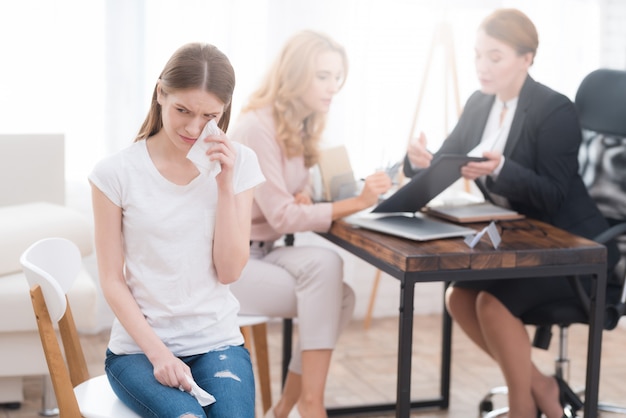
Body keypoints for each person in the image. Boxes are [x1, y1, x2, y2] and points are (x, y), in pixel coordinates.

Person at [403, 9, 620, 418]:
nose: (483, 67)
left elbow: (553, 196)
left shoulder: (555, 111)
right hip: (520, 246)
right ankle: (541, 386)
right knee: (459, 296)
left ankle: (523, 408)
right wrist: (419, 163)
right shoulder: (479, 103)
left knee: (489, 303)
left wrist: (502, 169)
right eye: (478, 55)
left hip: (575, 253)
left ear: (527, 58)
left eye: (495, 57)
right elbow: (448, 162)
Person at [89, 42, 265, 418]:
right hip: (139, 350)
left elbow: (230, 271)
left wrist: (224, 183)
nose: (193, 127)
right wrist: (160, 355)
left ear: (223, 113)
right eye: (182, 110)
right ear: (160, 94)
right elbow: (111, 279)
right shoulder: (115, 173)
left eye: (208, 116)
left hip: (217, 341)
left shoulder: (240, 163)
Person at [228, 30, 392, 418]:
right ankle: (308, 406)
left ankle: (288, 407)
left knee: (336, 286)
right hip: (228, 264)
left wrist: (300, 195)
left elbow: (284, 200)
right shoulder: (257, 126)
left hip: (263, 253)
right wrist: (358, 202)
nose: (333, 86)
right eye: (322, 76)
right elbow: (282, 215)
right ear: (295, 74)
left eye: (337, 77)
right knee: (330, 288)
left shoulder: (300, 126)